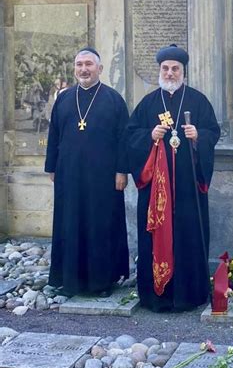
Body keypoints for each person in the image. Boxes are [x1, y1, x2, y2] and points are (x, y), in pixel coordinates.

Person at [127, 45, 220, 312]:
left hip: (188, 188)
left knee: (188, 236)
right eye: (165, 68)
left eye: (175, 69)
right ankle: (156, 296)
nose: (170, 73)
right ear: (160, 71)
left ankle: (190, 295)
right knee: (156, 237)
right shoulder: (148, 103)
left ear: (183, 72)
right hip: (157, 192)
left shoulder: (198, 100)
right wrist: (149, 136)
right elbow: (130, 136)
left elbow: (213, 132)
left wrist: (198, 136)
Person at [45, 48, 130, 296]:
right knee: (69, 225)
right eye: (80, 64)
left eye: (89, 64)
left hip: (103, 178)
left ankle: (102, 282)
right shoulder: (63, 98)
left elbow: (123, 139)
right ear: (74, 68)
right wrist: (51, 166)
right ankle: (69, 281)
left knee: (100, 226)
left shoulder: (114, 100)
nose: (84, 69)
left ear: (99, 69)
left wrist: (122, 171)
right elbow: (54, 135)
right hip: (69, 175)